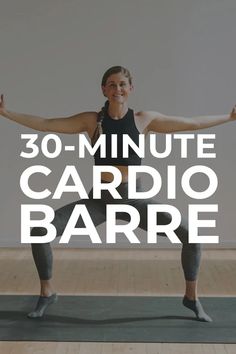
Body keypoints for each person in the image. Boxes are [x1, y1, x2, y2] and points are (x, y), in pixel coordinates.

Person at [1, 66, 236, 322]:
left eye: (122, 84)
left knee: (190, 234)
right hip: (100, 202)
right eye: (111, 85)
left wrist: (229, 117)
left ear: (130, 88)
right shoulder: (91, 121)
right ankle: (47, 292)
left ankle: (191, 297)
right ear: (104, 89)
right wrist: (5, 113)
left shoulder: (143, 119)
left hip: (135, 200)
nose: (117, 89)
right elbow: (46, 125)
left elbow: (190, 125)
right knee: (40, 231)